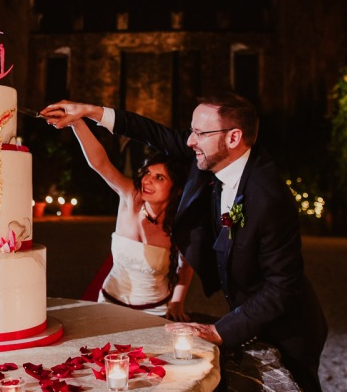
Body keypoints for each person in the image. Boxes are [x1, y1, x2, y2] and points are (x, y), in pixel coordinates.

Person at [42, 90, 328, 392]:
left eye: (200, 133)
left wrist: (220, 330)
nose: (190, 142)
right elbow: (153, 133)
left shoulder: (268, 198)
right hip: (243, 311)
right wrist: (88, 111)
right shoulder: (210, 156)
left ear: (233, 138)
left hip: (289, 326)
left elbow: (283, 286)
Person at [63, 117, 193, 321]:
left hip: (157, 310)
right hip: (109, 304)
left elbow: (185, 265)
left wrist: (177, 302)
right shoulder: (130, 197)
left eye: (160, 178)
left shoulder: (180, 221)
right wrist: (77, 123)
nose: (148, 180)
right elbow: (100, 163)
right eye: (148, 173)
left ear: (176, 190)